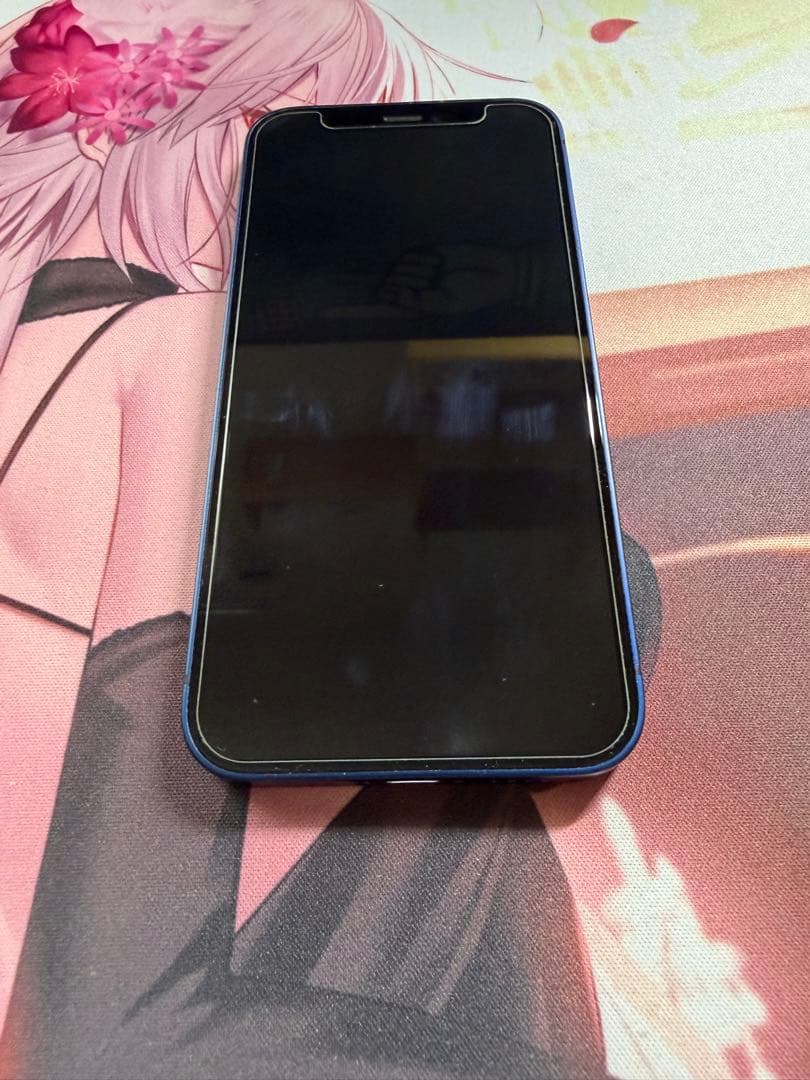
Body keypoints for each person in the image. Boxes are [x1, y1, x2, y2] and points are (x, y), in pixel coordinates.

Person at [0, 3, 662, 1077]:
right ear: (219, 126)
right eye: (309, 132)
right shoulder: (177, 349)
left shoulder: (46, 349)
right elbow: (109, 1024)